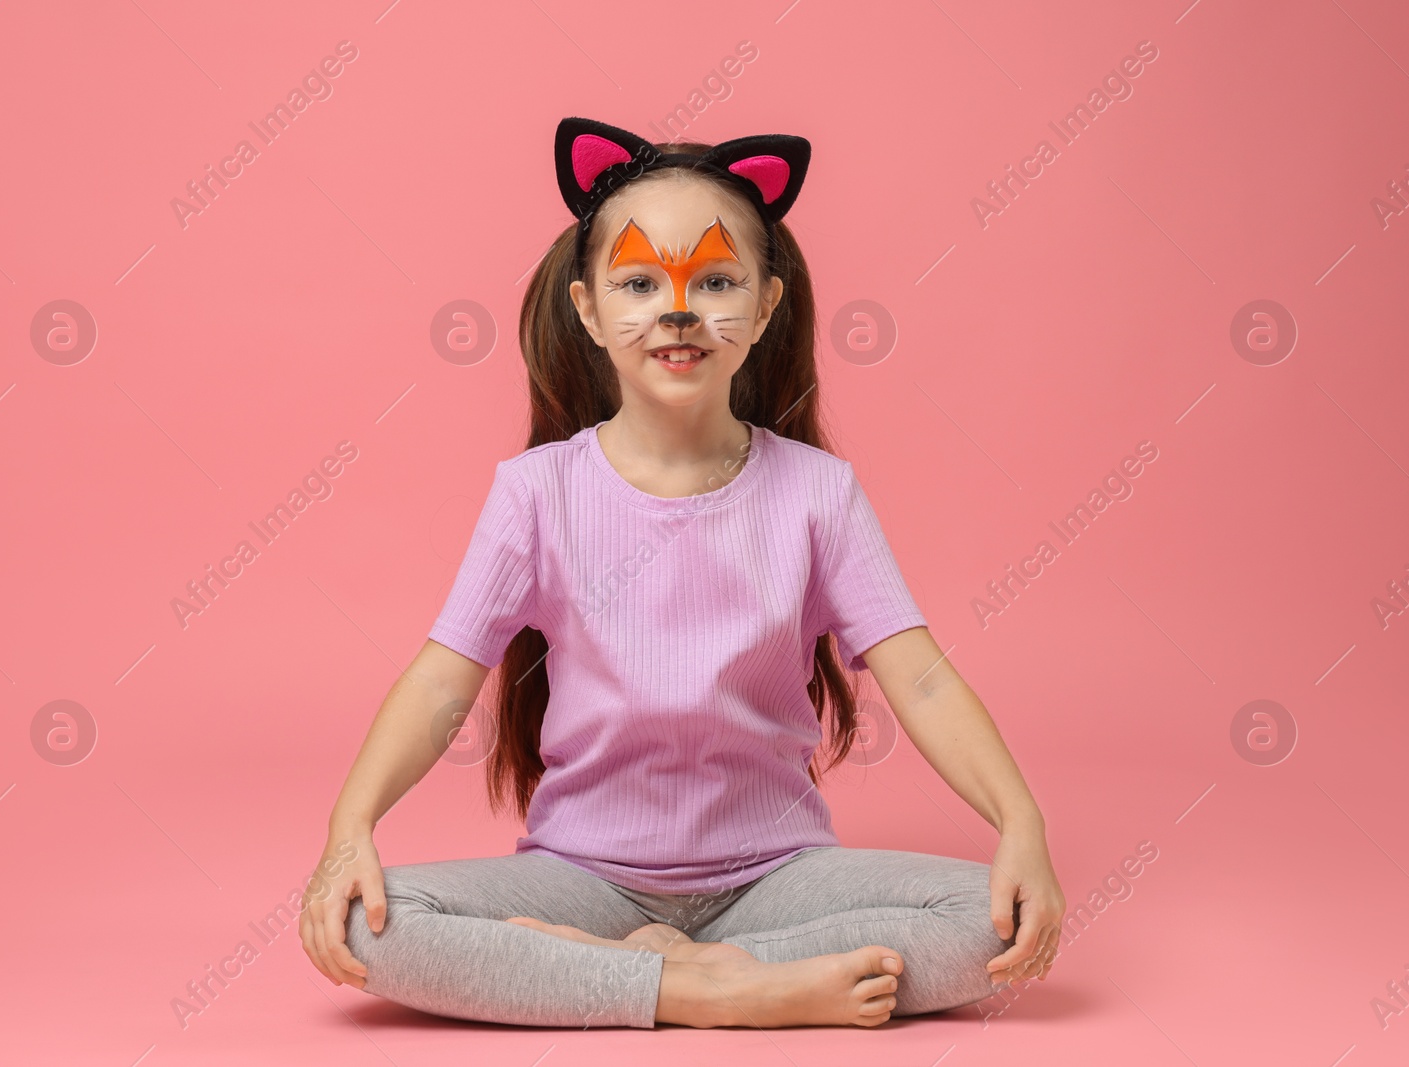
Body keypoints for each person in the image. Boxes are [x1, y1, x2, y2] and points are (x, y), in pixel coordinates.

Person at [298, 116, 1065, 1030]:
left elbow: (923, 681)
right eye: (637, 282)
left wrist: (1023, 824)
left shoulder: (819, 493)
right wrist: (350, 832)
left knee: (990, 926)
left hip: (779, 878)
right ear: (588, 310)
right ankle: (714, 987)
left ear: (767, 304)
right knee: (373, 927)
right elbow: (438, 681)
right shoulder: (537, 493)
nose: (678, 309)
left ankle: (654, 976)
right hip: (582, 879)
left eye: (715, 281)